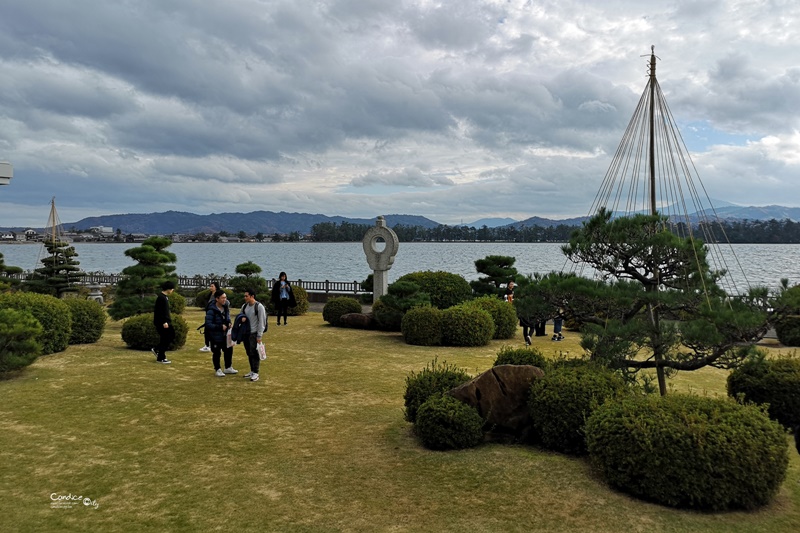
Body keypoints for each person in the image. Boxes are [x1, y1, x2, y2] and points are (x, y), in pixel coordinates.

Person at [205, 289, 237, 377]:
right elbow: (208, 324)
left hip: (226, 334)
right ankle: (217, 369)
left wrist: (229, 323)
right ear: (217, 299)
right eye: (223, 298)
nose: (225, 300)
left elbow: (227, 317)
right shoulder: (211, 310)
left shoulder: (225, 307)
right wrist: (219, 327)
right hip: (215, 335)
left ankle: (228, 367)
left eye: (225, 298)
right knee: (216, 352)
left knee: (229, 350)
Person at [241, 289, 267, 382]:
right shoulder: (244, 306)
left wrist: (259, 335)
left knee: (254, 353)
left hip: (254, 333)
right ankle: (252, 370)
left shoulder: (259, 307)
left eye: (246, 296)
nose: (245, 298)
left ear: (252, 296)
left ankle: (256, 372)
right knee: (249, 352)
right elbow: (240, 316)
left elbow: (262, 322)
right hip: (246, 333)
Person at [152, 280, 176, 364]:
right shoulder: (161, 298)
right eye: (172, 289)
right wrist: (164, 321)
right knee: (166, 338)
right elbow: (159, 311)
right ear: (168, 289)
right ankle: (161, 357)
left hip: (166, 321)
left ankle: (157, 349)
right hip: (162, 322)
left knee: (170, 336)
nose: (173, 290)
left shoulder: (165, 297)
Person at [199, 281, 221, 352]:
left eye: (212, 286)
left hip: (216, 316)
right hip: (209, 315)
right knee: (207, 330)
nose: (210, 288)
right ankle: (207, 345)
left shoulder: (219, 294)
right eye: (210, 286)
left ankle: (216, 345)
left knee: (215, 331)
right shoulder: (210, 295)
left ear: (216, 287)